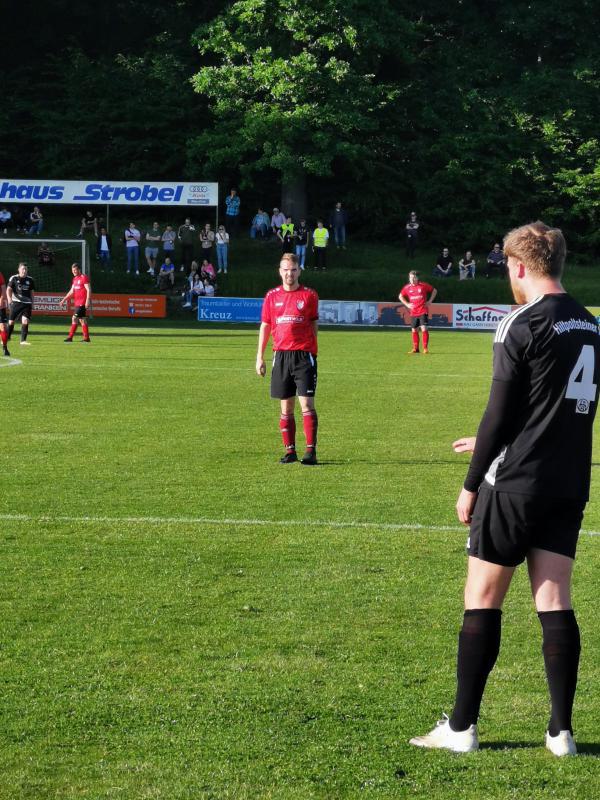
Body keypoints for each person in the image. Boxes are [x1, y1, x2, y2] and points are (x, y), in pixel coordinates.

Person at [410, 221, 600, 757]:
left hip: (514, 483)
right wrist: (503, 439)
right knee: (555, 600)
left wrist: (472, 482)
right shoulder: (590, 324)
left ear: (518, 267)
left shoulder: (521, 321)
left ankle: (461, 728)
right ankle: (561, 733)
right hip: (567, 481)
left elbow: (499, 411)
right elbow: (558, 409)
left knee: (482, 598)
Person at [256, 253, 319, 465]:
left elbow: (313, 323)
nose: (289, 274)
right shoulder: (271, 296)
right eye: (285, 270)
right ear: (280, 271)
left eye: (293, 270)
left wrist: (312, 350)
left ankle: (310, 451)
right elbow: (265, 325)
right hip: (281, 355)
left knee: (306, 404)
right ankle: (290, 451)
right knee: (286, 407)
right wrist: (260, 357)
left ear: (299, 271)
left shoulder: (309, 295)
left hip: (303, 355)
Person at [399, 270, 437, 354]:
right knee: (414, 330)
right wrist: (407, 304)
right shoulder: (407, 288)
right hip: (413, 312)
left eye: (414, 277)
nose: (412, 279)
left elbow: (434, 290)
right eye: (410, 278)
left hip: (423, 311)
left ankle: (425, 348)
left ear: (417, 278)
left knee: (424, 328)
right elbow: (400, 296)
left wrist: (430, 301)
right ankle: (416, 349)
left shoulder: (423, 286)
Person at [60, 263, 91, 343]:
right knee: (82, 320)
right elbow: (71, 291)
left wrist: (87, 300)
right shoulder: (75, 279)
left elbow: (88, 289)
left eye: (75, 270)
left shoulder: (84, 277)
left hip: (82, 303)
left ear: (79, 270)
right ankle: (86, 338)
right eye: (72, 270)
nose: (73, 272)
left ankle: (70, 337)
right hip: (77, 303)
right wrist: (64, 299)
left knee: (74, 318)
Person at [6, 263, 35, 346]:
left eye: (26, 269)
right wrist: (9, 299)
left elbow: (32, 292)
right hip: (16, 303)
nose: (24, 271)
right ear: (19, 269)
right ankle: (7, 337)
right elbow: (8, 289)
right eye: (23, 269)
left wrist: (33, 302)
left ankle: (23, 340)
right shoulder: (14, 278)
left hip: (27, 304)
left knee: (25, 321)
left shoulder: (30, 280)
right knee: (11, 322)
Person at [0, 270, 9, 356]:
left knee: (3, 327)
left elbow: (3, 288)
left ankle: (5, 347)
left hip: (0, 305)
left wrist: (1, 300)